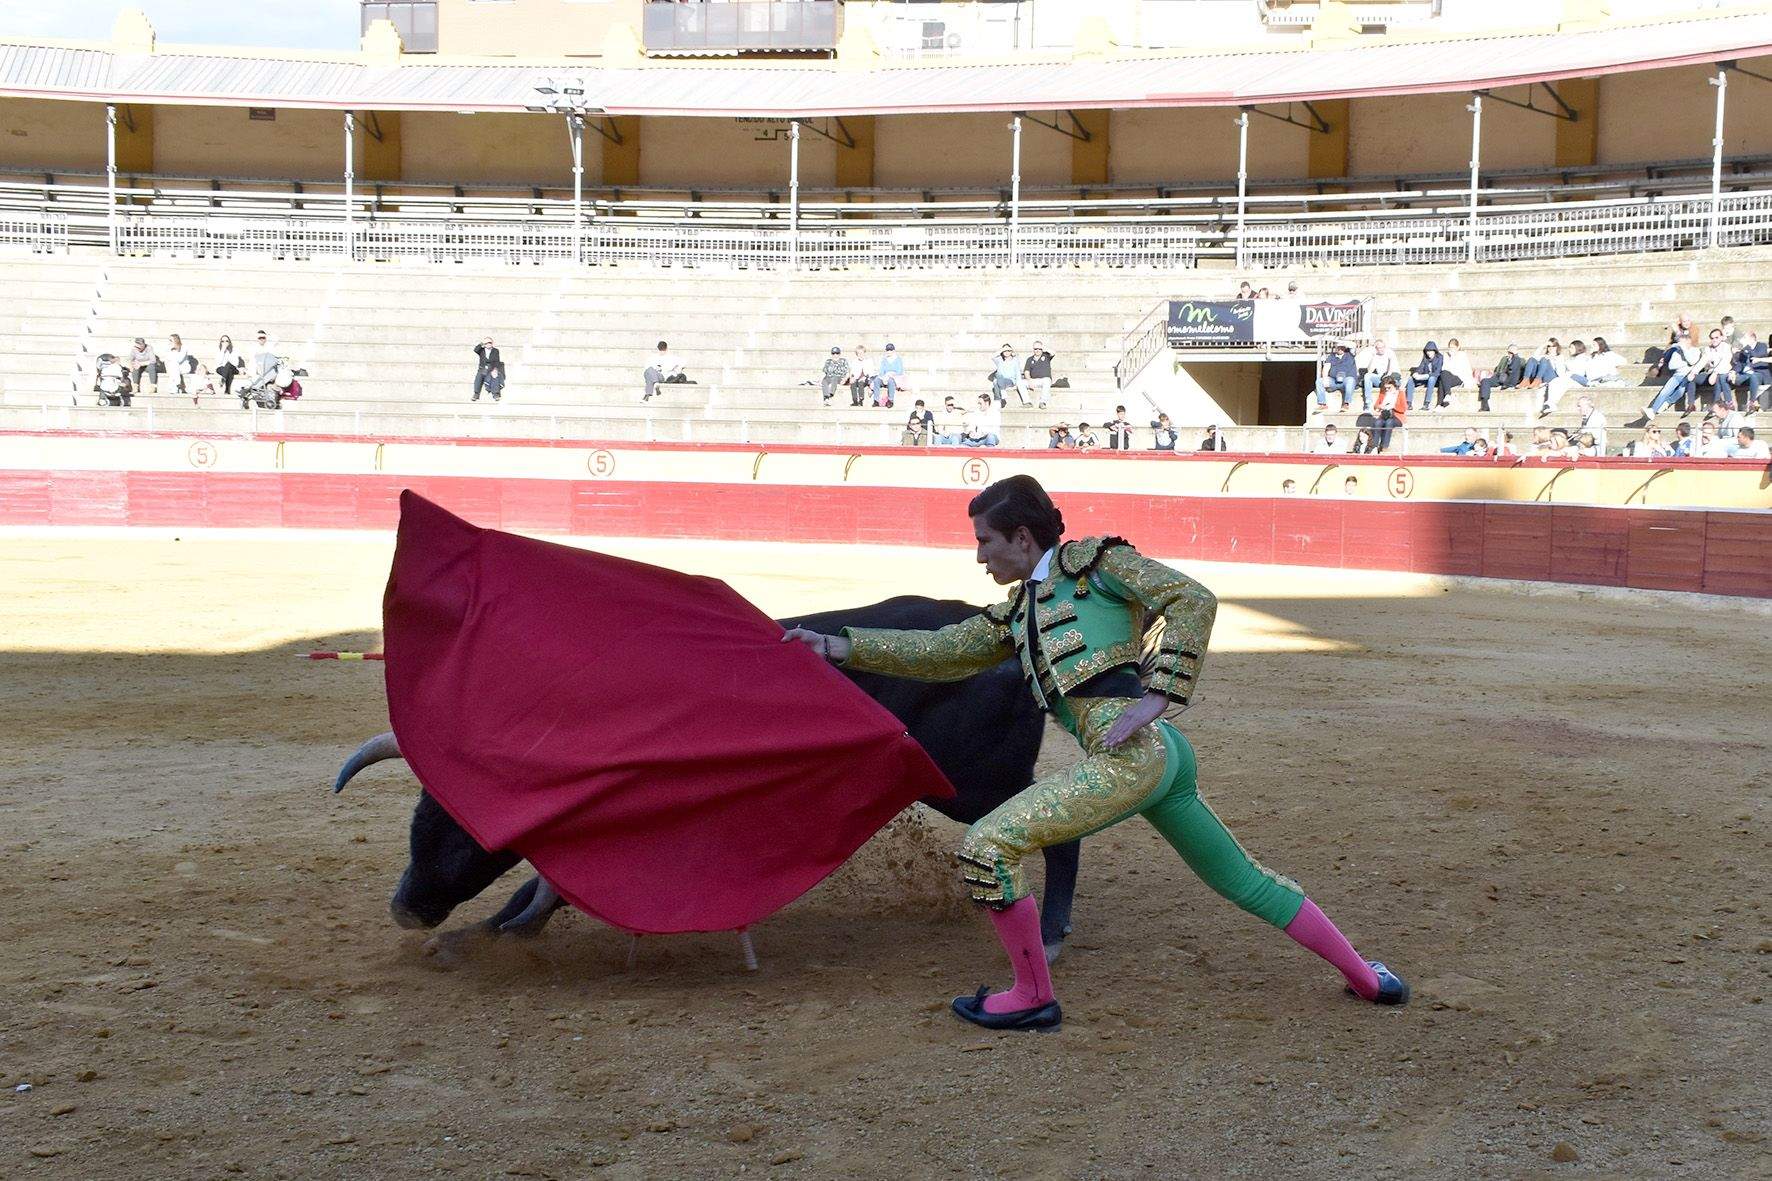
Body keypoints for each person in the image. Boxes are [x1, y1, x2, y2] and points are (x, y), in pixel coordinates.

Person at [781, 476, 1408, 1030]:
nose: (978, 556)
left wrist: (1159, 694)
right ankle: (1368, 978)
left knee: (985, 848)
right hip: (1159, 760)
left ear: (1022, 538)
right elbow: (941, 651)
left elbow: (1193, 598)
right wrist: (837, 648)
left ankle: (1031, 994)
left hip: (1133, 759)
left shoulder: (1100, 566)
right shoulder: (1018, 614)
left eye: (985, 542)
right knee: (1243, 879)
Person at [1645, 331, 1701, 420]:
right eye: (1680, 343)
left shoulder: (1696, 350)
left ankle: (1666, 403)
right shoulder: (1677, 352)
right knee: (1665, 391)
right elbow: (1672, 366)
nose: (1680, 345)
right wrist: (1685, 363)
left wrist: (1684, 352)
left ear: (1689, 341)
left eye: (1682, 342)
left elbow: (1692, 361)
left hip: (1687, 376)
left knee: (1680, 392)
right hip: (1677, 375)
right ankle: (1653, 410)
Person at [1476, 344, 1526, 412]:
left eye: (1512, 352)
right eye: (1509, 352)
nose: (1510, 354)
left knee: (1516, 361)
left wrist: (1514, 356)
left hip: (1510, 378)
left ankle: (1507, 384)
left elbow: (1522, 366)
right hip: (1501, 377)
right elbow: (1498, 369)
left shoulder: (1520, 360)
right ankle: (1485, 405)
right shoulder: (1504, 358)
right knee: (1485, 381)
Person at [1726, 332, 1768, 412]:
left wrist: (1746, 348)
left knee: (1753, 376)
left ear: (1752, 339)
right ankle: (1729, 403)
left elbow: (1758, 354)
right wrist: (1733, 371)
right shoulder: (1744, 350)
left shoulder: (1761, 346)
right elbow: (1740, 364)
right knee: (1726, 377)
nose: (1743, 341)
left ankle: (1752, 402)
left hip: (1759, 373)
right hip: (1745, 375)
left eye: (1745, 338)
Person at [1312, 343, 1357, 413]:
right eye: (1338, 347)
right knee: (1319, 381)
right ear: (1336, 348)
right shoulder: (1331, 357)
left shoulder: (1350, 355)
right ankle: (1322, 404)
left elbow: (1353, 345)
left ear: (1345, 348)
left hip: (1345, 381)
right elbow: (1326, 368)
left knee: (1350, 380)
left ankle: (1346, 404)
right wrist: (1325, 378)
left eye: (1342, 347)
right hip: (1334, 381)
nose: (1340, 349)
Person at [1355, 339, 1399, 409]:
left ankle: (1388, 404)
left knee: (1389, 380)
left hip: (1391, 378)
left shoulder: (1390, 353)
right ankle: (1368, 403)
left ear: (1385, 347)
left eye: (1382, 347)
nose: (1380, 349)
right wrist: (1373, 358)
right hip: (1380, 378)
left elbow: (1391, 370)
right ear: (1375, 348)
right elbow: (1369, 371)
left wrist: (1387, 374)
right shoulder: (1375, 355)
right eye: (1378, 348)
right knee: (1367, 376)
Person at [1404, 342, 1446, 412]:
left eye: (1430, 351)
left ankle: (1427, 403)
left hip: (1435, 379)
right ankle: (1409, 403)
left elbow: (1437, 372)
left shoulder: (1440, 357)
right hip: (1425, 378)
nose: (1428, 353)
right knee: (1411, 379)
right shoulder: (1425, 358)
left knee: (1432, 379)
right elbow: (1421, 367)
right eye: (1427, 351)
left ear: (1434, 351)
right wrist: (1416, 373)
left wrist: (1426, 376)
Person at [1371, 374, 1407, 453]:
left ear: (1393, 385)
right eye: (1385, 388)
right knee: (1377, 422)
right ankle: (1374, 446)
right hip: (1385, 415)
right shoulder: (1383, 393)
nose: (1387, 389)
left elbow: (1404, 408)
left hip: (1397, 416)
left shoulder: (1400, 393)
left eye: (1389, 388)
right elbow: (1376, 405)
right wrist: (1380, 406)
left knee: (1389, 422)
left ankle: (1384, 447)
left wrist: (1393, 406)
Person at [1439, 338, 1474, 409]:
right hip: (1449, 376)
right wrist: (1451, 357)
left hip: (1459, 378)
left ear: (1458, 347)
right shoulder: (1446, 355)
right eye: (1450, 348)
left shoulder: (1462, 355)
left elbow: (1463, 369)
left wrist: (1452, 357)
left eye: (1453, 348)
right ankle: (1442, 402)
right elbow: (1444, 368)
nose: (1451, 349)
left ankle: (1441, 403)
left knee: (1443, 378)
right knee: (1442, 377)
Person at [1020, 342, 1054, 409]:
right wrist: (1029, 381)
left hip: (1044, 380)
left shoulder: (1046, 356)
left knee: (1047, 380)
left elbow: (1053, 352)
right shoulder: (1030, 359)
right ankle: (1027, 402)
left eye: (1039, 349)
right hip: (1033, 380)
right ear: (1033, 349)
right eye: (1035, 349)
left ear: (1042, 349)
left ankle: (1042, 402)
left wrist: (1044, 348)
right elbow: (1026, 371)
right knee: (1020, 382)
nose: (1037, 350)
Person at [472, 337, 503, 403]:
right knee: (478, 378)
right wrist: (482, 343)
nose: (488, 344)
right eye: (487, 343)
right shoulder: (481, 350)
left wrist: (495, 369)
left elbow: (497, 361)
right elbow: (475, 350)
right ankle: (476, 394)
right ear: (484, 344)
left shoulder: (495, 350)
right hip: (482, 368)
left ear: (492, 343)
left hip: (491, 368)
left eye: (490, 343)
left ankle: (496, 394)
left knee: (495, 377)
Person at [874, 343, 905, 408]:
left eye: (890, 350)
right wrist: (883, 377)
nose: (889, 352)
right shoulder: (884, 360)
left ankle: (890, 400)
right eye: (887, 350)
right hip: (885, 376)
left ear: (893, 351)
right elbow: (881, 370)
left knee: (891, 381)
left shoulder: (898, 359)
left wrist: (891, 375)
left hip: (894, 376)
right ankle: (876, 400)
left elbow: (900, 371)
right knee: (877, 380)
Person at [214, 334, 245, 400]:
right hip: (221, 369)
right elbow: (218, 362)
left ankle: (223, 379)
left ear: (229, 342)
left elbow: (236, 363)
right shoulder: (218, 351)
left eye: (226, 341)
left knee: (228, 365)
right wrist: (223, 351)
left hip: (233, 368)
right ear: (220, 342)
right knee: (228, 370)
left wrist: (228, 354)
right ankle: (227, 390)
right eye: (223, 341)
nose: (224, 343)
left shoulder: (234, 350)